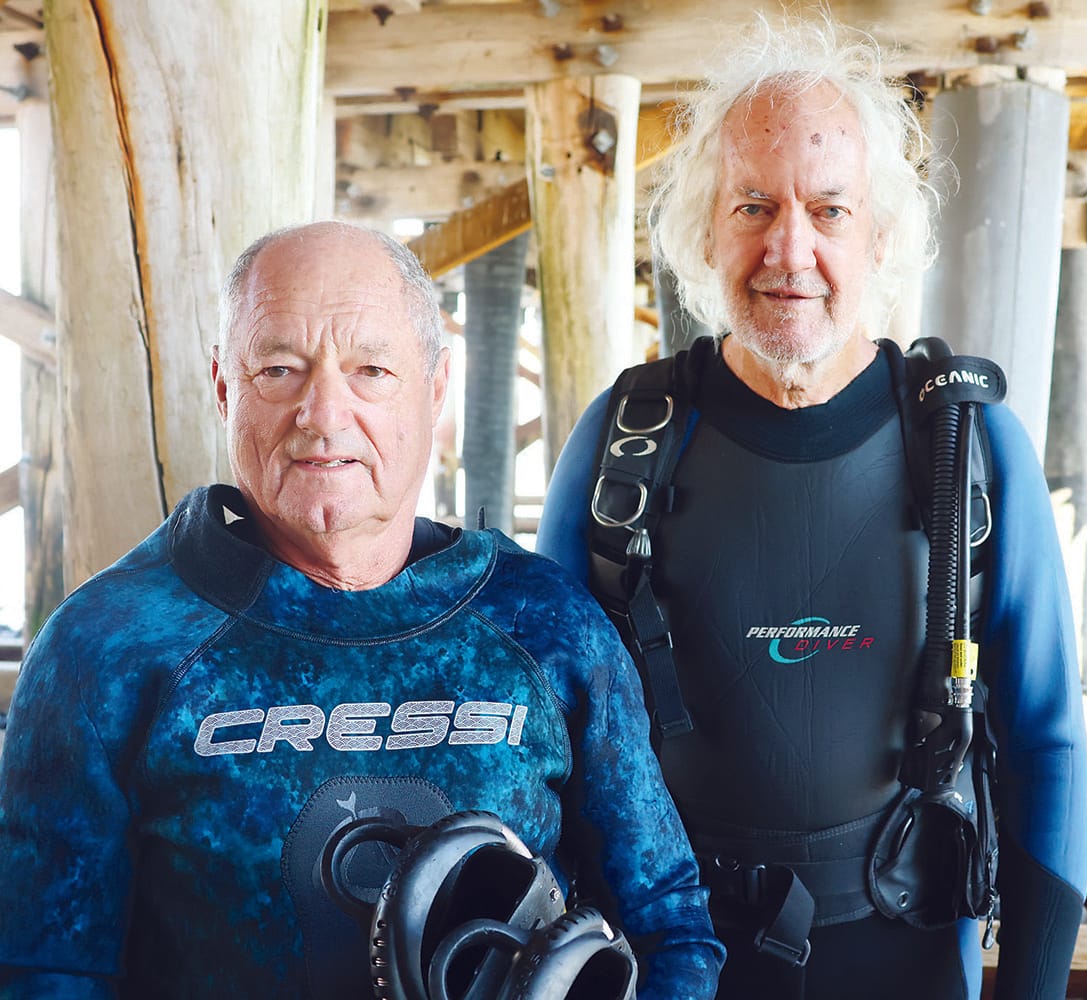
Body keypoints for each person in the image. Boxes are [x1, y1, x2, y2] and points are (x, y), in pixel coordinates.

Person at [0, 221, 721, 1000]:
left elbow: (669, 924)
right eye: (279, 368)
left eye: (372, 370)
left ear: (436, 389)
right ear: (221, 386)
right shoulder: (104, 647)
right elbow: (48, 967)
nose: (324, 413)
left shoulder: (549, 628)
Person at [536, 17, 1087, 1000]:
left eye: (828, 210)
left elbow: (1044, 739)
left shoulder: (966, 448)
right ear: (702, 229)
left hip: (910, 961)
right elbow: (546, 734)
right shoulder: (622, 441)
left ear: (880, 236)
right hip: (673, 966)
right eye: (752, 205)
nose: (786, 248)